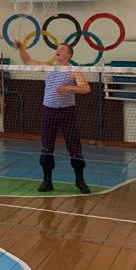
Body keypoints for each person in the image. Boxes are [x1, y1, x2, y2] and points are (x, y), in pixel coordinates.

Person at [13, 40, 91, 194]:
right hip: (48, 112)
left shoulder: (73, 71)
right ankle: (47, 181)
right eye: (57, 48)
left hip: (67, 114)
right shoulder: (48, 67)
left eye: (62, 49)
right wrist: (21, 47)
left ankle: (80, 181)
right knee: (46, 148)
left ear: (69, 55)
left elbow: (86, 88)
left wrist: (69, 87)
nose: (58, 50)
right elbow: (28, 61)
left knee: (75, 148)